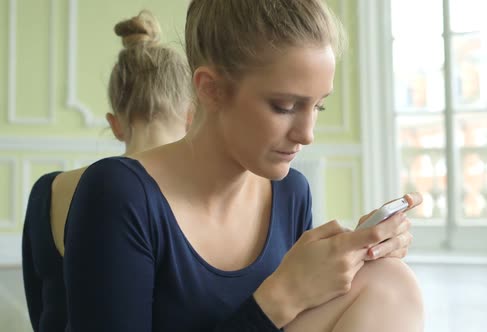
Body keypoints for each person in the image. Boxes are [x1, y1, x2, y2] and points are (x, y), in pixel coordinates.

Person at [64, 1, 424, 331]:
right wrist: (281, 296)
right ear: (210, 89)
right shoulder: (118, 194)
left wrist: (353, 256)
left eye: (318, 107)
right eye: (284, 106)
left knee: (387, 280)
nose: (307, 134)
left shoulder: (290, 192)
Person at [21, 10, 193, 332]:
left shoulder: (48, 190)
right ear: (191, 116)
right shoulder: (194, 197)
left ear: (114, 124)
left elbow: (40, 310)